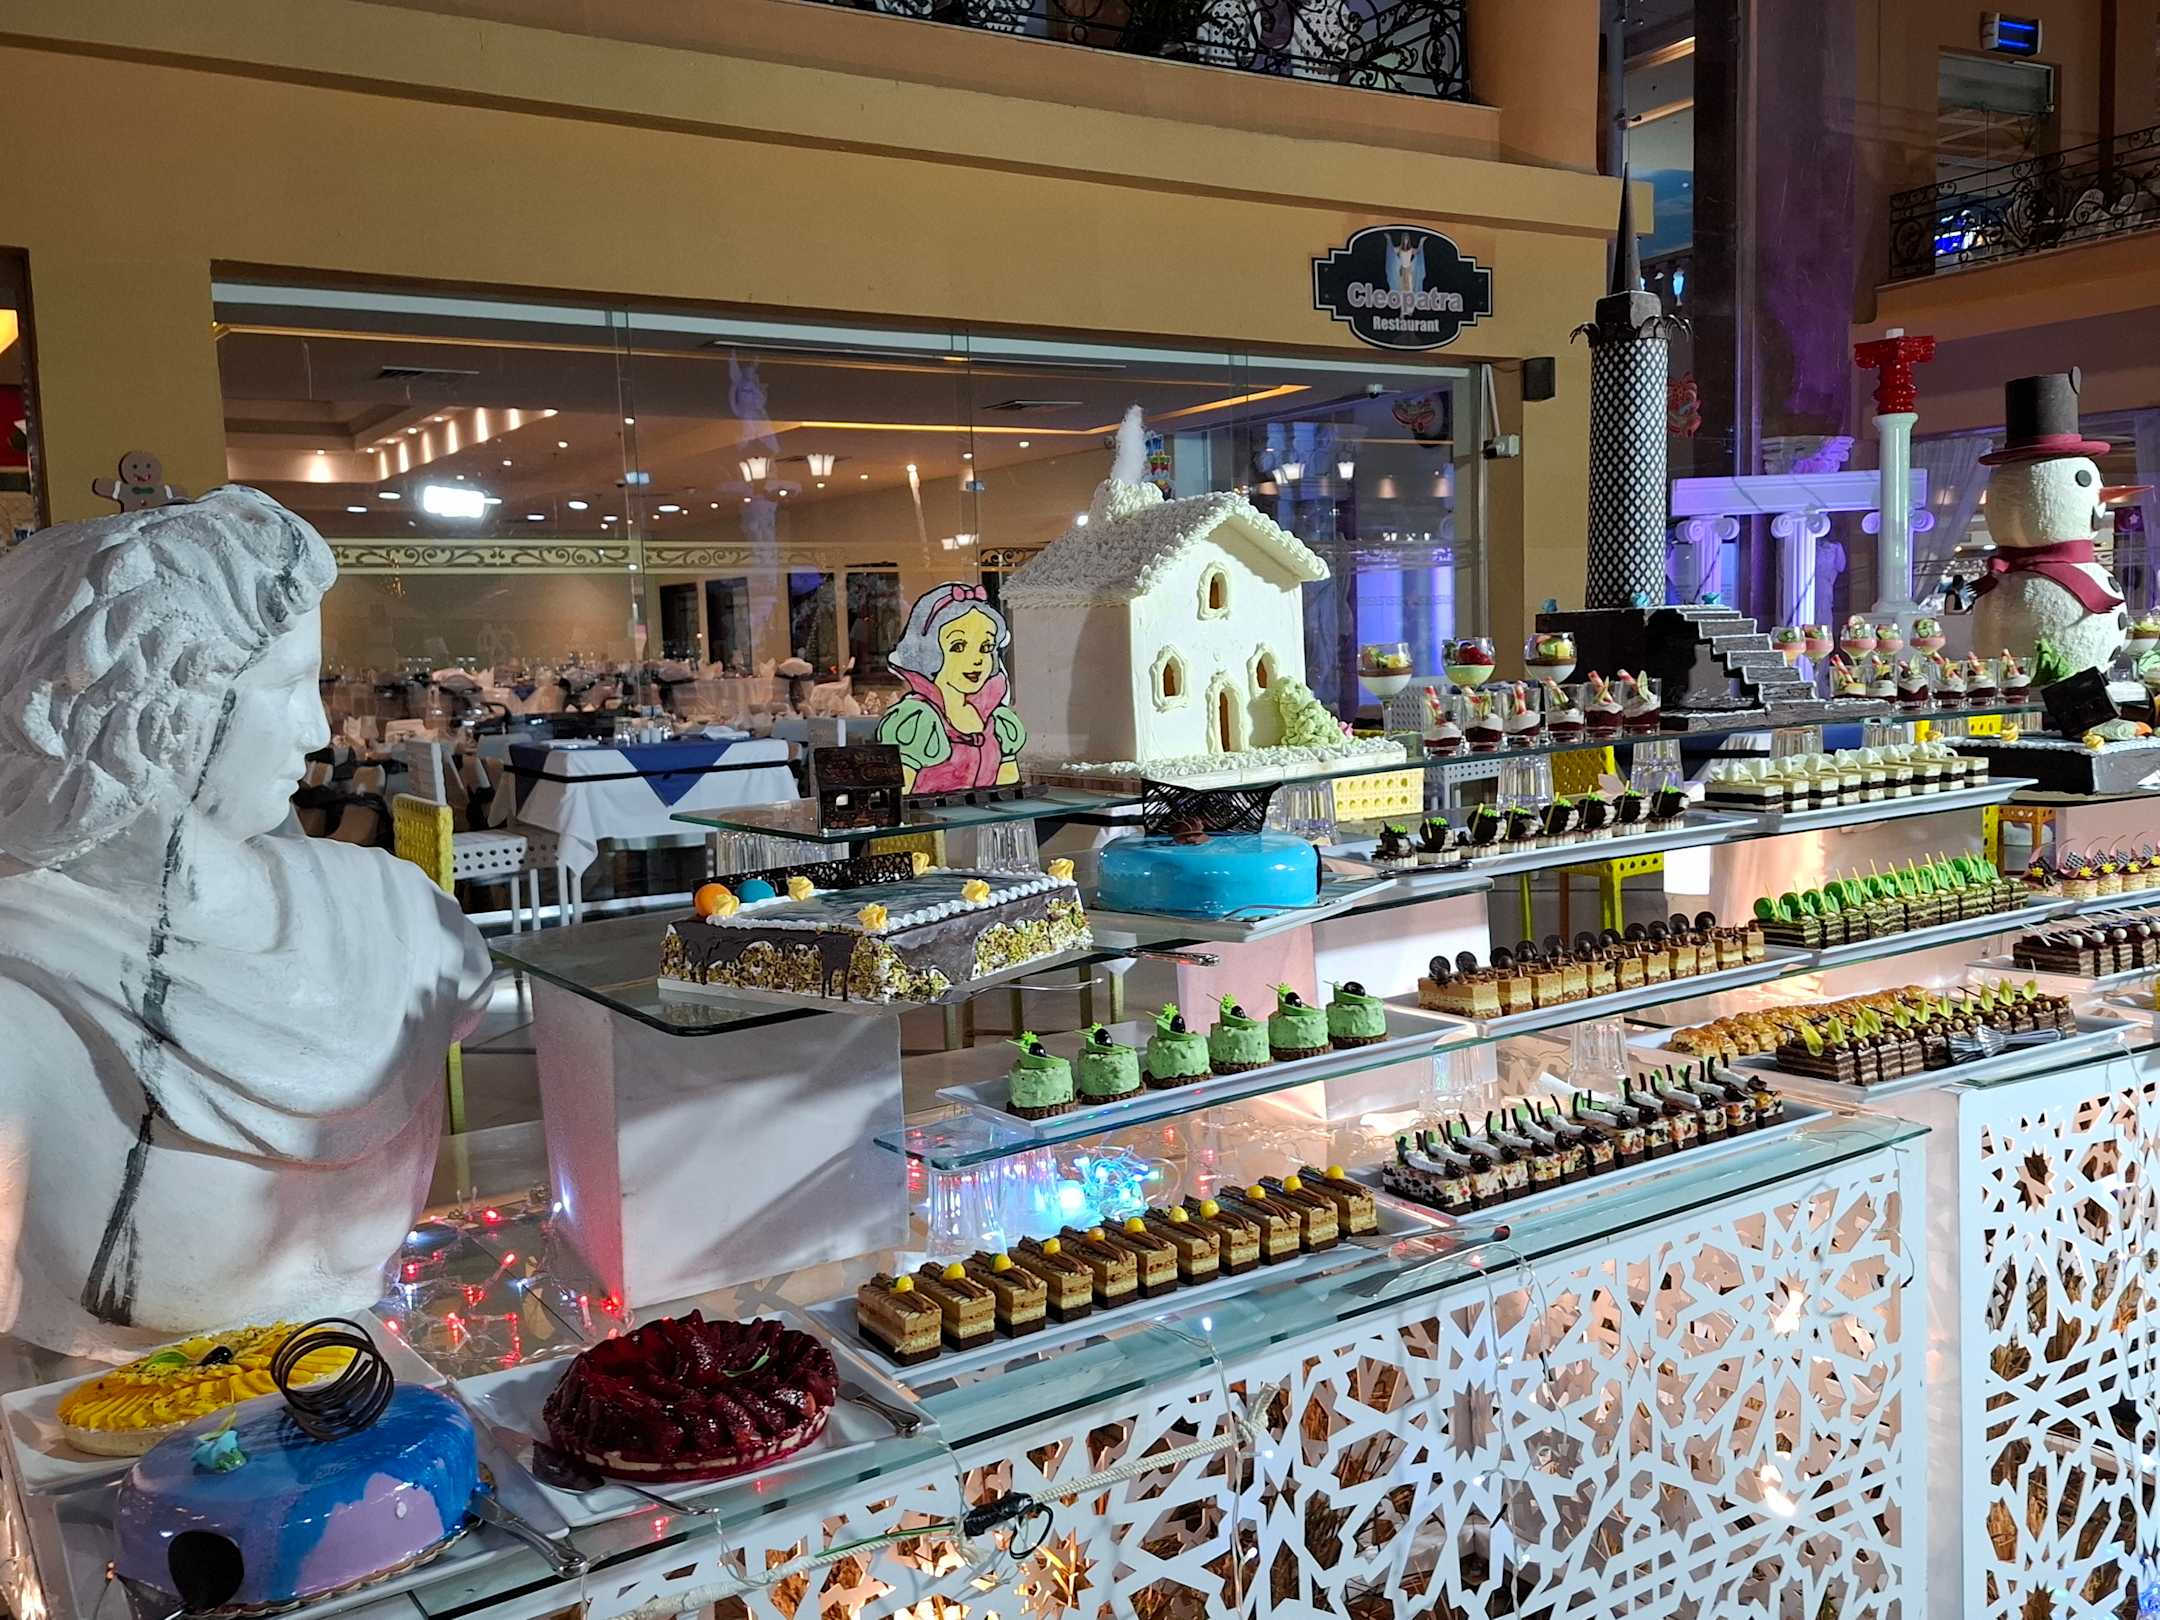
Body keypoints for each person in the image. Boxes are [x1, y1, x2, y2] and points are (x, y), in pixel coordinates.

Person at [0, 487, 492, 1357]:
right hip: (109, 1404)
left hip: (380, 1366)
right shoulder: (18, 998)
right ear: (148, 709)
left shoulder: (400, 915)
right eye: (285, 685)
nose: (316, 730)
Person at [876, 582, 1025, 792]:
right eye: (958, 646)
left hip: (983, 814)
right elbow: (899, 796)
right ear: (929, 652)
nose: (977, 660)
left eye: (985, 647)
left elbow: (1009, 790)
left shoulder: (998, 719)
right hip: (931, 815)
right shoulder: (918, 720)